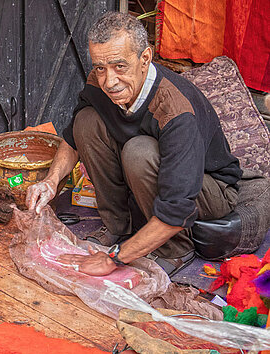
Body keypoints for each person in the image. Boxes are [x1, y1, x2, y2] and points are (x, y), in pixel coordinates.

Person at [25, 11, 242, 277]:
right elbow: (72, 140)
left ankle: (176, 251)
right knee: (86, 121)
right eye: (100, 67)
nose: (109, 81)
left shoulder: (176, 111)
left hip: (209, 188)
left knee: (139, 152)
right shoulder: (102, 82)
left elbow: (177, 210)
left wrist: (116, 259)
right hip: (153, 172)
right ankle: (118, 226)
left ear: (145, 59)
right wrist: (51, 180)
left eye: (120, 66)